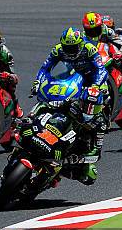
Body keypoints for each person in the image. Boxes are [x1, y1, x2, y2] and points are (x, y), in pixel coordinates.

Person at [31, 27, 109, 185]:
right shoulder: (58, 50)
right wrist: (39, 81)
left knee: (98, 104)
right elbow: (45, 68)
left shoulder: (89, 48)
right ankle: (32, 122)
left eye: (73, 48)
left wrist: (95, 85)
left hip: (92, 81)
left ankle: (95, 139)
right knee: (47, 98)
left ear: (80, 44)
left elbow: (101, 70)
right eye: (68, 48)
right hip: (71, 79)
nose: (70, 51)